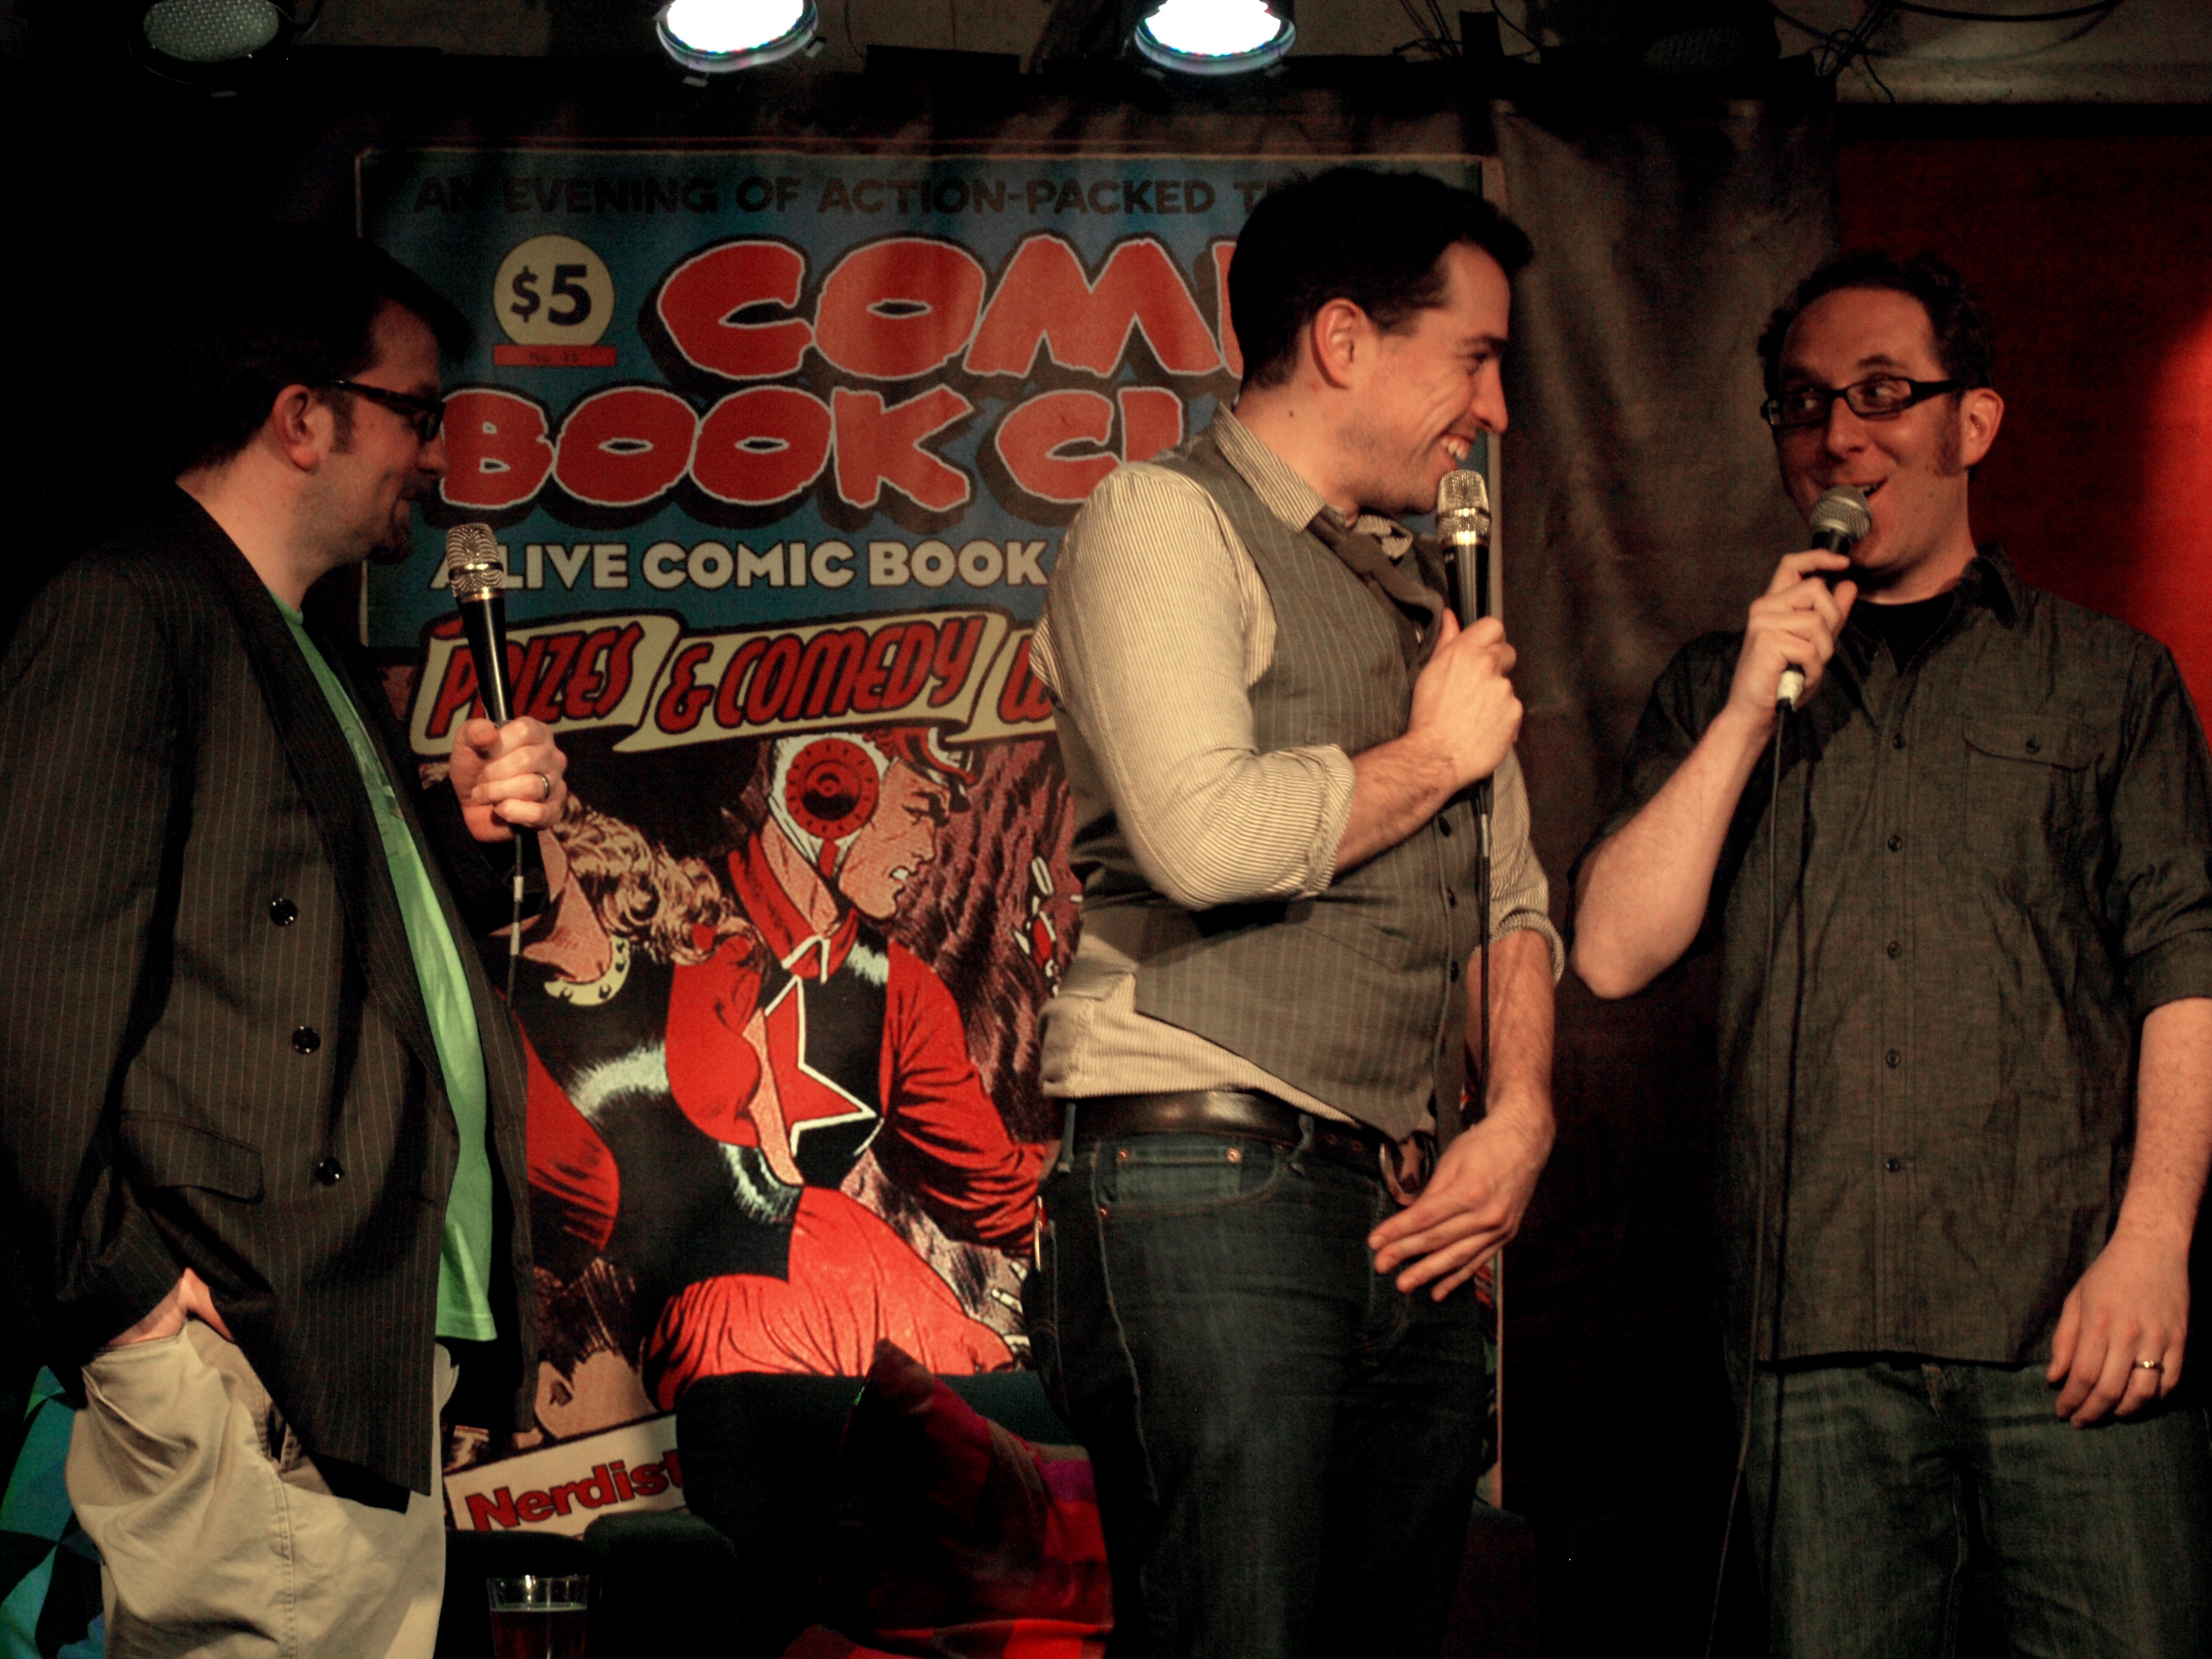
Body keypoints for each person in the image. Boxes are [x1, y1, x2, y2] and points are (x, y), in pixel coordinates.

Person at [1573, 250, 2212, 1656]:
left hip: (2068, 1321)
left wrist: (2154, 1242)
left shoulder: (2106, 680)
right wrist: (1747, 712)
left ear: (1970, 422)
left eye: (1881, 393)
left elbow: (2187, 972)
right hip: (1815, 1346)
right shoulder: (1722, 686)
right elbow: (1611, 953)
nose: (1839, 438)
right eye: (1804, 404)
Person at [0, 227, 571, 1659]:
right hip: (247, 1339)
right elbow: (33, 992)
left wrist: (470, 839)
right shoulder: (133, 612)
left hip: (351, 1329)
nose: (435, 455)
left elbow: (337, 962)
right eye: (417, 411)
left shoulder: (306, 644)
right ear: (304, 415)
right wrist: (126, 1295)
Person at [1026, 167, 1561, 1659]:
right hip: (1205, 1177)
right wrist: (1433, 754)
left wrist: (1521, 1109)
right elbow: (1203, 837)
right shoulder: (1162, 516)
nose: (1494, 410)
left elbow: (1510, 893)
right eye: (1475, 358)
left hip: (1401, 1208)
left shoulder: (1420, 596)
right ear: (1341, 339)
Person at [519, 726, 1045, 1407]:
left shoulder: (897, 992)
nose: (926, 848)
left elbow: (991, 1188)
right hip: (724, 1329)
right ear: (832, 787)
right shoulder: (651, 931)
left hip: (847, 1270)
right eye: (918, 810)